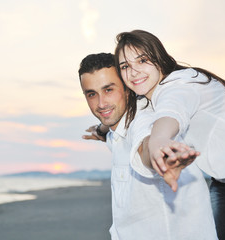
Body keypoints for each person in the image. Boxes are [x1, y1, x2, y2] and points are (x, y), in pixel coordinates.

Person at [114, 29, 225, 240]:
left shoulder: (183, 83)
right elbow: (138, 126)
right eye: (125, 66)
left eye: (142, 60)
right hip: (224, 184)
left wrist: (160, 141)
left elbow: (172, 112)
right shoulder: (148, 100)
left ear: (160, 59)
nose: (133, 72)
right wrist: (101, 130)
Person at [78, 52, 217, 240]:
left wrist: (161, 157)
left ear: (127, 88)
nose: (101, 103)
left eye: (109, 90)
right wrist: (101, 131)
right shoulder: (116, 131)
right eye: (92, 94)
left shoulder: (146, 121)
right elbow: (113, 132)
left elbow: (147, 144)